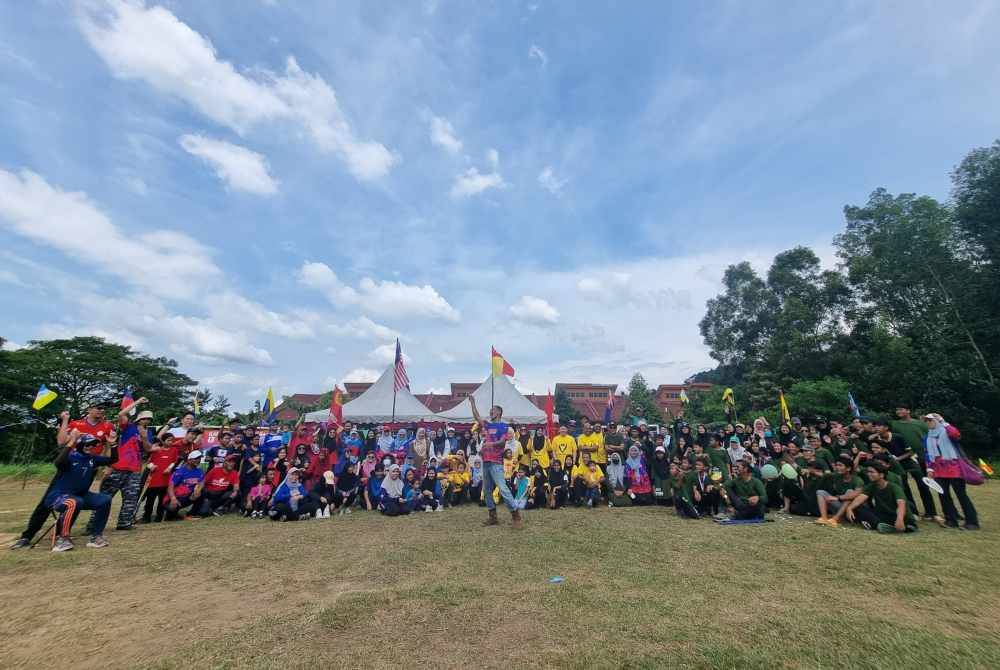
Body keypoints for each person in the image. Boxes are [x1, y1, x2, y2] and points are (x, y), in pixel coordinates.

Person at [46, 431, 116, 552]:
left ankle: (96, 537)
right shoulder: (71, 457)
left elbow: (113, 459)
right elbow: (58, 462)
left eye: (93, 445)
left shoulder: (93, 459)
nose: (91, 447)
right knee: (74, 502)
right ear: (79, 445)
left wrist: (113, 444)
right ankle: (63, 539)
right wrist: (71, 442)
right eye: (87, 444)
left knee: (105, 499)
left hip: (80, 496)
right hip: (58, 496)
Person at [469, 396, 523, 528]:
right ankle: (493, 517)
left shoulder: (504, 426)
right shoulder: (487, 425)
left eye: (492, 410)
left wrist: (490, 444)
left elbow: (502, 442)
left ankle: (516, 516)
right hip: (486, 461)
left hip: (496, 462)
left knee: (503, 489)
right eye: (490, 410)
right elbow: (477, 417)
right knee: (487, 490)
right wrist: (473, 403)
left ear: (499, 412)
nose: (490, 412)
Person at [923, 413, 979, 530]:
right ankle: (950, 520)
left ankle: (972, 522)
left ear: (936, 421)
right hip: (938, 468)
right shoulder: (928, 436)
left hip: (954, 467)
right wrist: (929, 468)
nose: (928, 423)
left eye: (930, 420)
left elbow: (956, 434)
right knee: (943, 495)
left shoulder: (947, 431)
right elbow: (928, 453)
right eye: (926, 421)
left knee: (961, 495)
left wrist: (944, 422)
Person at [844, 462, 918, 533]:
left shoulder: (894, 487)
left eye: (872, 472)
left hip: (899, 516)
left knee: (871, 518)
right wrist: (849, 508)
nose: (869, 474)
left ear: (881, 475)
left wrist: (900, 519)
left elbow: (901, 505)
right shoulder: (872, 485)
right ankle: (881, 525)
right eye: (868, 472)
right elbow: (860, 498)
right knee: (860, 509)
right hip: (884, 515)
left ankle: (887, 526)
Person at [814, 456, 864, 527]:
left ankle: (835, 519)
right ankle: (824, 518)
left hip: (853, 510)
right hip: (840, 506)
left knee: (849, 492)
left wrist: (838, 498)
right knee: (820, 492)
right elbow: (826, 474)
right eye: (837, 465)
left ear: (848, 468)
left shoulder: (857, 480)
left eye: (840, 465)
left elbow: (857, 493)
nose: (837, 467)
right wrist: (812, 471)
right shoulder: (837, 475)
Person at [140, 436, 178, 523]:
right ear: (163, 441)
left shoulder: (174, 450)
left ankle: (159, 516)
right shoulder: (156, 450)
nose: (171, 442)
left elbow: (174, 461)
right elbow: (149, 462)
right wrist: (151, 466)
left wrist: (169, 468)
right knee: (150, 500)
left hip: (166, 480)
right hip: (154, 480)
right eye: (168, 440)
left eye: (172, 441)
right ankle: (146, 517)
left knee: (162, 500)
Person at [164, 450, 205, 520]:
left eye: (199, 458)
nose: (198, 460)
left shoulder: (199, 471)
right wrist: (173, 498)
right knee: (172, 510)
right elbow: (170, 487)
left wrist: (198, 490)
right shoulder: (180, 472)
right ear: (189, 460)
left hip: (188, 496)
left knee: (203, 493)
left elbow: (202, 482)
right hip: (175, 497)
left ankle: (192, 514)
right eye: (196, 458)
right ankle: (172, 516)